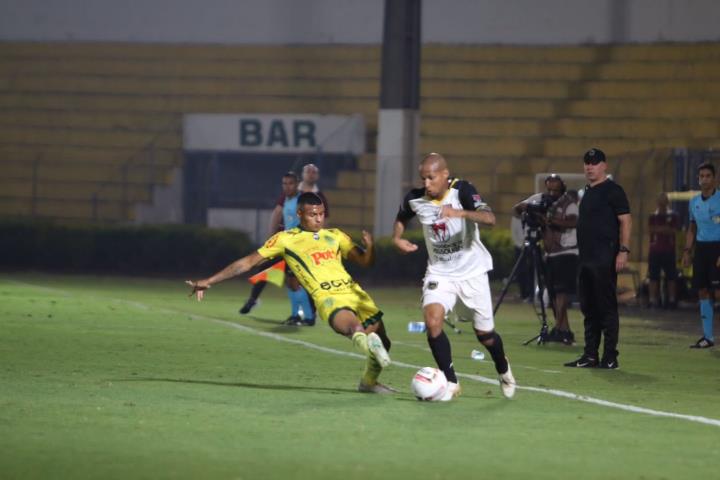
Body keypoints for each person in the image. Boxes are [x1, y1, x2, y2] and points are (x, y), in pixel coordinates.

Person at [187, 192, 396, 393]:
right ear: (299, 214)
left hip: (356, 294)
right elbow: (248, 262)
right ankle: (369, 346)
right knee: (354, 327)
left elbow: (365, 261)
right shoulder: (285, 239)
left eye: (322, 214)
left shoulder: (335, 235)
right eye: (313, 214)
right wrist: (210, 281)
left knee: (384, 342)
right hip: (328, 297)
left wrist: (370, 249)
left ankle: (369, 381)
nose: (319, 219)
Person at [393, 152, 517, 400]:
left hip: (472, 273)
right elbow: (402, 216)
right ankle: (451, 382)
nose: (426, 184)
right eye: (423, 178)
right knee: (432, 321)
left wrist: (459, 213)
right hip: (440, 273)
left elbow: (490, 218)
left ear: (445, 175)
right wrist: (397, 238)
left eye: (431, 178)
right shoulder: (416, 198)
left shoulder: (462, 190)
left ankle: (503, 369)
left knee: (485, 335)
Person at [565, 148, 631, 369]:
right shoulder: (587, 192)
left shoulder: (613, 190)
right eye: (587, 163)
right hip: (586, 259)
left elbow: (626, 221)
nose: (589, 167)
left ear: (604, 165)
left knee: (606, 307)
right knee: (589, 307)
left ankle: (610, 356)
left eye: (594, 162)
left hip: (604, 258)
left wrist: (623, 250)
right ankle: (590, 355)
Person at [239, 172, 314, 326]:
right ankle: (300, 316)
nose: (287, 187)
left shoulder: (302, 200)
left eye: (290, 183)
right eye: (284, 184)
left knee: (296, 282)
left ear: (297, 184)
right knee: (290, 281)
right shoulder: (287, 200)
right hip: (286, 246)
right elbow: (281, 218)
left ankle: (305, 316)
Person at [513, 174, 579, 345]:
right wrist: (529, 207)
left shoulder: (569, 203)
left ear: (562, 189)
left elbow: (573, 222)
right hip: (549, 254)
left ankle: (559, 328)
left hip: (567, 252)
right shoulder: (541, 199)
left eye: (555, 190)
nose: (551, 193)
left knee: (561, 292)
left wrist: (548, 219)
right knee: (554, 292)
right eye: (549, 189)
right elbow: (517, 209)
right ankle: (564, 331)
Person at [682, 162, 720, 349]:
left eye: (708, 176)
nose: (704, 179)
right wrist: (687, 251)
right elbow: (691, 228)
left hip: (718, 248)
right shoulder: (694, 202)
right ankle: (708, 337)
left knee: (718, 292)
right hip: (702, 250)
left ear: (714, 178)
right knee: (703, 291)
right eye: (701, 176)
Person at [647, 192, 680, 308]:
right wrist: (664, 229)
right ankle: (652, 300)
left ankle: (671, 300)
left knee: (671, 277)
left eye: (664, 202)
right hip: (655, 251)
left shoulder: (673, 216)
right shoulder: (653, 216)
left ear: (667, 202)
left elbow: (673, 231)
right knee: (653, 277)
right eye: (660, 202)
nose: (662, 204)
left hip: (669, 251)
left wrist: (660, 229)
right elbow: (651, 230)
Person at [510, 215, 534, 302]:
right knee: (521, 270)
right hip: (519, 248)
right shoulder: (515, 218)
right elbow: (514, 233)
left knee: (531, 270)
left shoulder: (531, 217)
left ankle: (532, 293)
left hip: (531, 247)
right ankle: (524, 293)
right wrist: (520, 245)